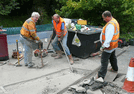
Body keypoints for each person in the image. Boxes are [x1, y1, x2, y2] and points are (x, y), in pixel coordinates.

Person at [96, 11, 120, 79]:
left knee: (104, 61)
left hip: (108, 46)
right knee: (112, 57)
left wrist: (103, 47)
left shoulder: (110, 25)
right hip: (113, 45)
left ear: (107, 17)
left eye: (104, 18)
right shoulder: (114, 21)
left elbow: (108, 37)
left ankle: (101, 76)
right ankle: (115, 68)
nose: (103, 19)